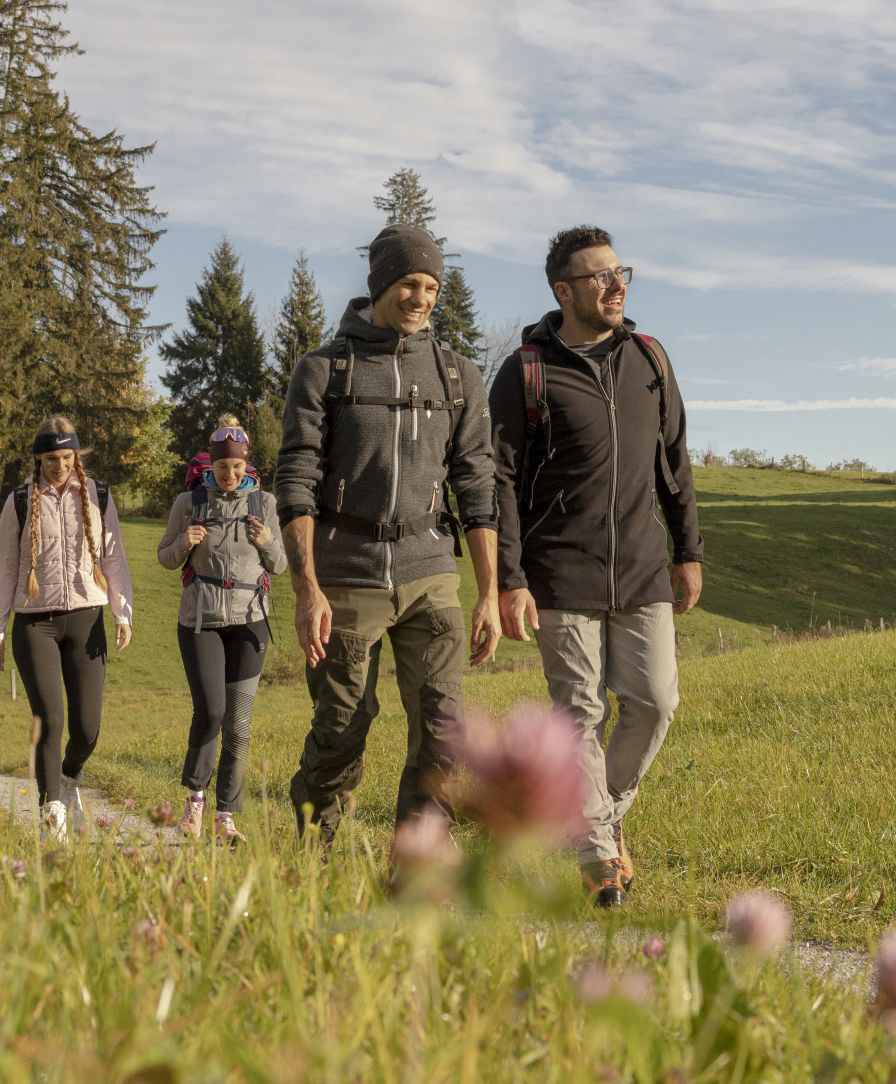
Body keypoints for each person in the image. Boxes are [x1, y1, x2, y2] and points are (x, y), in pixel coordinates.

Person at [490, 225, 703, 908]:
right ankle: (599, 855)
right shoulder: (526, 370)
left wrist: (689, 550)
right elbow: (498, 482)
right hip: (560, 572)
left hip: (643, 568)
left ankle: (593, 819)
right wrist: (510, 578)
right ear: (563, 291)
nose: (615, 286)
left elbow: (675, 464)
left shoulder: (650, 359)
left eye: (621, 273)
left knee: (655, 702)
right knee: (579, 711)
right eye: (598, 277)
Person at [276, 223, 503, 846]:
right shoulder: (324, 370)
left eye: (431, 286)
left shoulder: (458, 377)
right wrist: (307, 590)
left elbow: (477, 485)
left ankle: (416, 873)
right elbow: (295, 482)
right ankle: (311, 849)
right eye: (409, 283)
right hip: (346, 576)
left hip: (430, 573)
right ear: (381, 285)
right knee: (342, 727)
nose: (421, 297)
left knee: (445, 731)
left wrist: (488, 591)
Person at [0, 416, 135, 841]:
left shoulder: (97, 495)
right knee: (50, 719)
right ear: (38, 458)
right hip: (34, 625)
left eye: (67, 457)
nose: (59, 466)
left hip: (87, 620)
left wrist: (122, 613)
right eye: (51, 458)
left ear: (76, 456)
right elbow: (4, 567)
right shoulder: (20, 500)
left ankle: (69, 779)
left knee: (87, 728)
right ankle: (52, 815)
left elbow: (114, 558)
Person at [156, 414, 287, 844]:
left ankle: (226, 817)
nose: (229, 475)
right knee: (211, 712)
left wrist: (266, 541)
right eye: (221, 467)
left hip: (250, 624)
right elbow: (166, 558)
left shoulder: (263, 504)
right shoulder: (188, 503)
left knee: (239, 724)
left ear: (246, 466)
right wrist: (185, 542)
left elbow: (281, 565)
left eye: (236, 468)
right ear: (210, 465)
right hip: (201, 622)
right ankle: (194, 804)